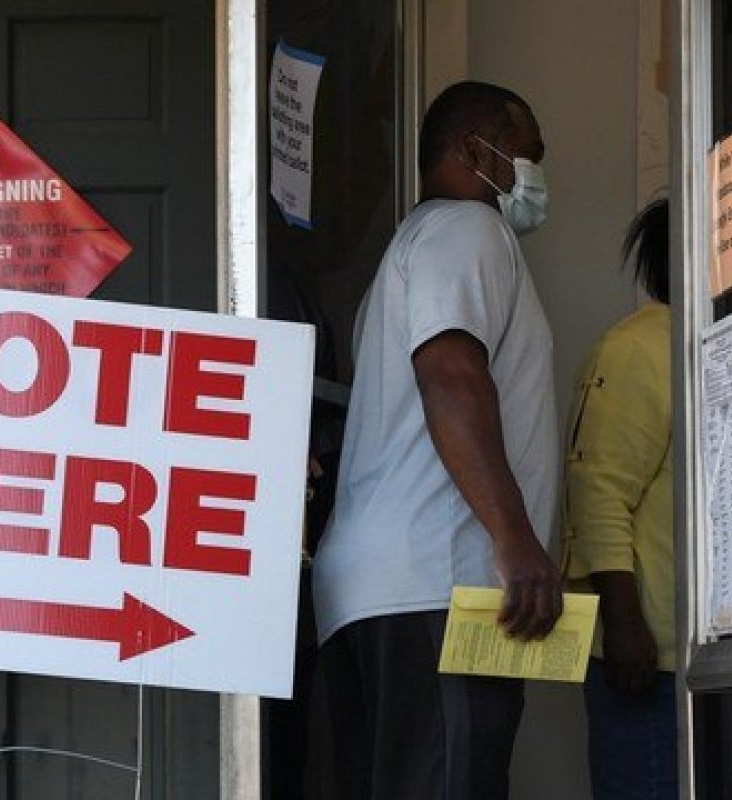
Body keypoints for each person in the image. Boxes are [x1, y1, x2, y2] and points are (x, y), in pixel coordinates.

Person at [311, 80, 563, 799]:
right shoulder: (466, 228)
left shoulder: (414, 249)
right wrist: (514, 538)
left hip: (393, 595)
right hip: (438, 587)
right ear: (475, 149)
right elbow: (451, 376)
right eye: (529, 155)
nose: (538, 176)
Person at [564, 198, 675, 799]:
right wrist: (625, 624)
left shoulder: (709, 344)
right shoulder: (640, 347)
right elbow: (599, 492)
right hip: (650, 660)